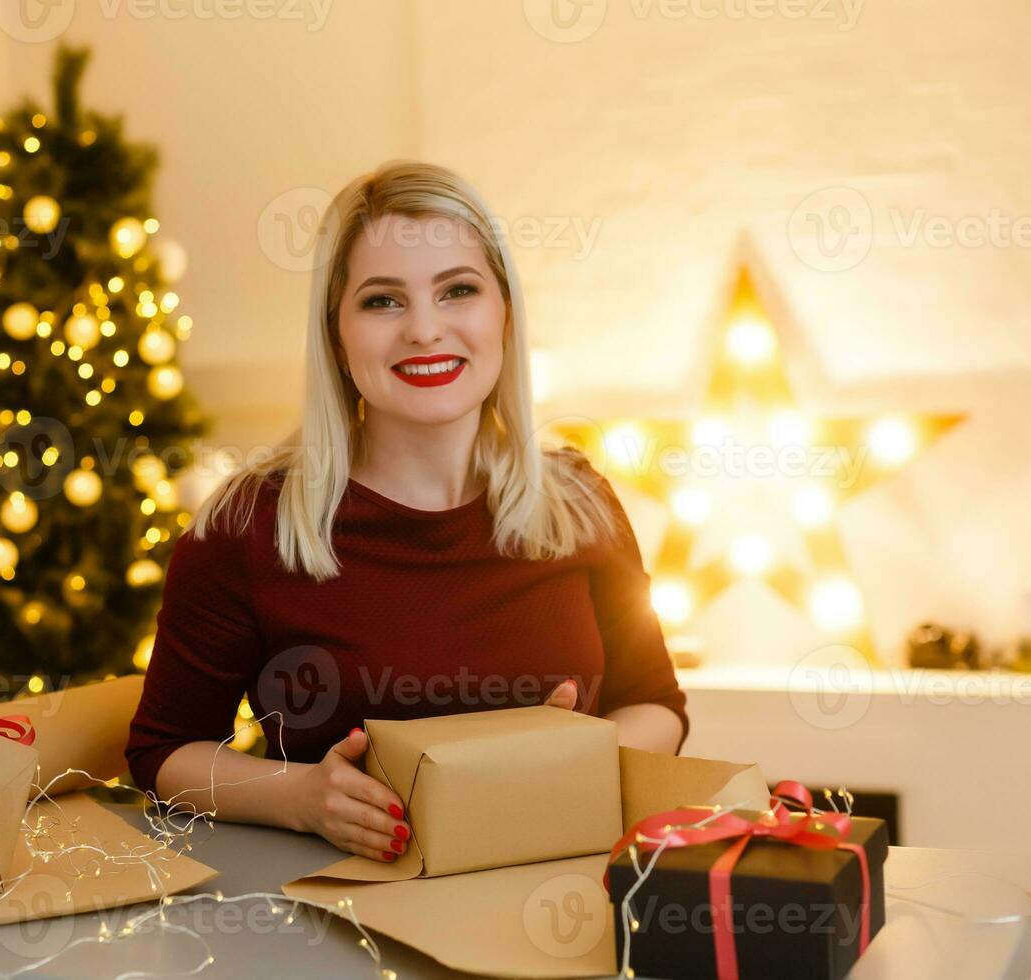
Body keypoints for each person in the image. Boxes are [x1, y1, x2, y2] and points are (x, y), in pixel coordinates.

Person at [125, 160, 688, 865]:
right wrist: (302, 798)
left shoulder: (579, 501)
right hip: (340, 921)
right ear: (336, 334)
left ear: (504, 314)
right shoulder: (247, 525)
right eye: (382, 301)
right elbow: (162, 753)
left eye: (458, 290)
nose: (424, 329)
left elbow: (657, 703)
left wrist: (563, 769)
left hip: (558, 900)